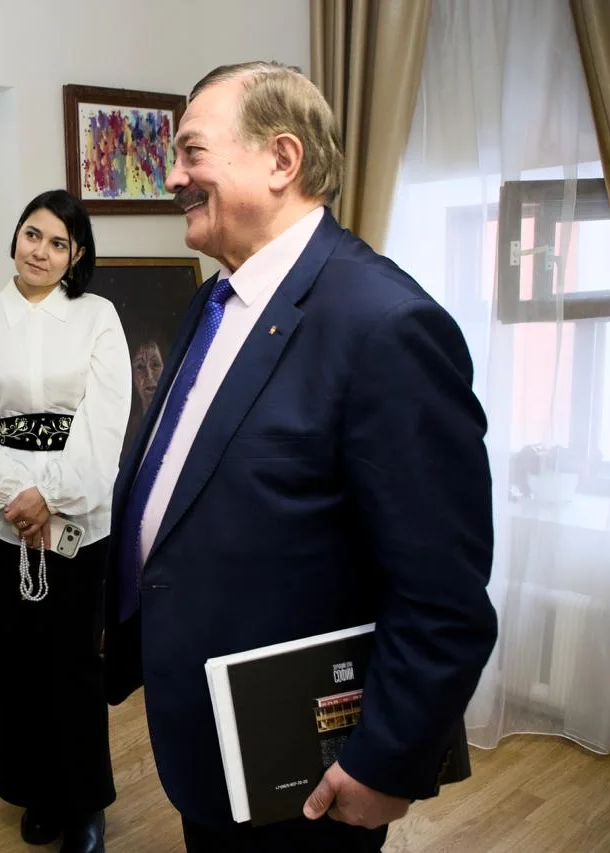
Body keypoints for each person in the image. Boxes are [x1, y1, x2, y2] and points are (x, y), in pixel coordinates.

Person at [102, 61, 498, 853]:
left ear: (282, 160)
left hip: (308, 766)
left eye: (191, 152)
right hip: (210, 732)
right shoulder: (213, 301)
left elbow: (444, 592)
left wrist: (387, 758)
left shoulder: (385, 325)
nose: (172, 176)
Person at [0, 189, 131, 853]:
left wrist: (50, 495)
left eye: (58, 243)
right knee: (13, 657)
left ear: (76, 255)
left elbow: (105, 419)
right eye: (33, 234)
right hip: (1, 521)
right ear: (16, 237)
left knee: (74, 659)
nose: (41, 252)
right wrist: (15, 496)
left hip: (78, 518)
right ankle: (36, 791)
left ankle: (84, 803)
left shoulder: (98, 317)